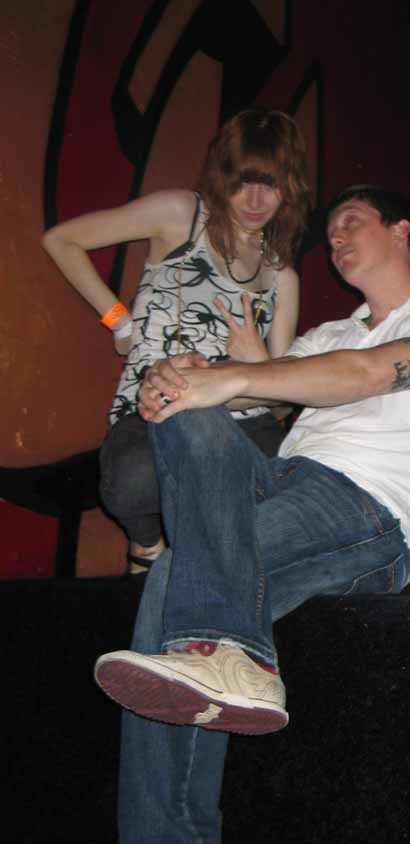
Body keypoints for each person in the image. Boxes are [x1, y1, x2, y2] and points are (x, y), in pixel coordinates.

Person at [75, 185, 410, 844]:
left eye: (353, 223)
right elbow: (263, 386)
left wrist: (236, 376)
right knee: (186, 413)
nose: (337, 239)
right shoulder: (329, 330)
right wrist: (182, 377)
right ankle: (231, 652)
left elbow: (363, 375)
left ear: (402, 231)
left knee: (176, 571)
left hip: (369, 508)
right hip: (283, 478)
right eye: (330, 231)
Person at [42, 108, 310, 572]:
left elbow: (283, 403)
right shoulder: (182, 215)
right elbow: (62, 240)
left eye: (269, 184)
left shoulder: (280, 273)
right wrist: (120, 323)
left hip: (241, 422)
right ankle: (146, 547)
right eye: (243, 182)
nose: (255, 199)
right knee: (133, 481)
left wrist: (261, 365)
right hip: (156, 408)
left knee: (294, 504)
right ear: (222, 177)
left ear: (289, 188)